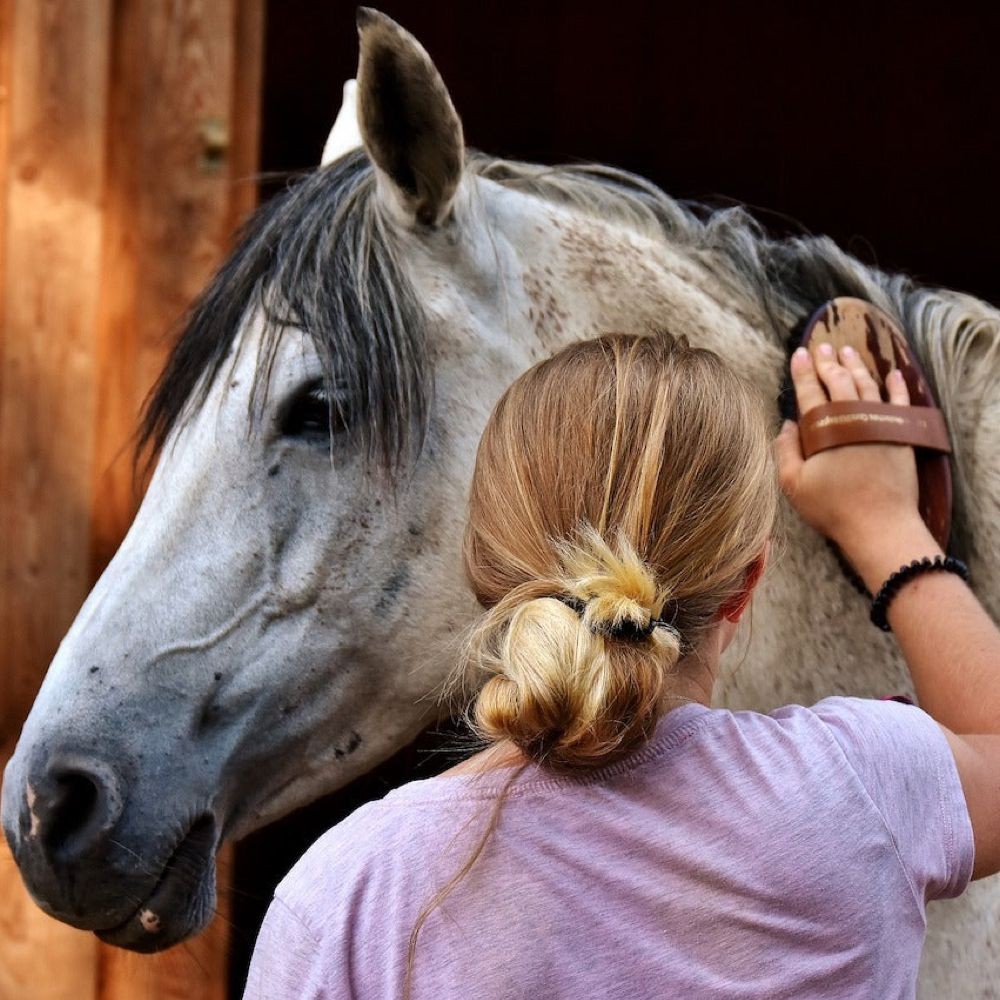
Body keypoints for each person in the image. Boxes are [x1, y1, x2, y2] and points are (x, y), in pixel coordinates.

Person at [243, 332, 1000, 999]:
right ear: (745, 584)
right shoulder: (858, 787)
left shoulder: (348, 899)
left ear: (485, 574)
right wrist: (887, 525)